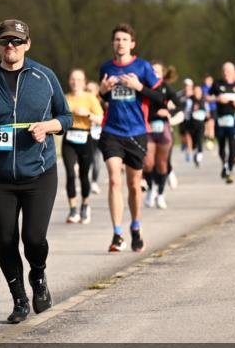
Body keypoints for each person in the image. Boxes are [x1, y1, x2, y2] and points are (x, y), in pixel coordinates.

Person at [0, 20, 73, 323]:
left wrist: (48, 126)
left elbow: (66, 116)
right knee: (6, 240)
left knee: (34, 239)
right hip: (0, 176)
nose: (10, 46)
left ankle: (38, 275)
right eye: (5, 41)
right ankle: (19, 299)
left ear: (27, 44)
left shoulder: (44, 77)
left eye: (16, 41)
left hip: (39, 172)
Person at [97, 24, 165, 253]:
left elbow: (160, 98)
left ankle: (136, 226)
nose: (120, 43)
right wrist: (102, 91)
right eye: (117, 39)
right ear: (113, 43)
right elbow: (102, 100)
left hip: (136, 132)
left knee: (134, 185)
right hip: (112, 132)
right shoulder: (106, 67)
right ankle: (117, 234)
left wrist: (138, 86)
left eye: (124, 39)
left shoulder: (143, 67)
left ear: (132, 44)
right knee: (115, 180)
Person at [63, 69, 103, 223]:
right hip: (69, 138)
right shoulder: (65, 98)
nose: (75, 82)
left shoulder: (90, 98)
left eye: (79, 79)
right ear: (69, 81)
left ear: (84, 82)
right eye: (73, 79)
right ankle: (73, 209)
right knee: (70, 174)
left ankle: (85, 205)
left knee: (83, 175)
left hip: (85, 138)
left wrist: (87, 114)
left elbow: (101, 119)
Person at [206, 61, 235, 184]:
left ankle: (230, 169)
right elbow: (207, 97)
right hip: (221, 119)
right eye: (224, 70)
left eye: (228, 71)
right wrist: (217, 98)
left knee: (233, 146)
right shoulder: (217, 84)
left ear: (233, 72)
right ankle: (224, 164)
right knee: (222, 146)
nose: (226, 73)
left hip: (233, 120)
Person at [143, 62, 178, 208]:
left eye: (158, 71)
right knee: (148, 163)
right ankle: (151, 189)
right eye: (153, 71)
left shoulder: (166, 88)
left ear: (163, 74)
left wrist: (169, 112)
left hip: (163, 128)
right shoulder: (143, 87)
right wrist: (153, 113)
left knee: (162, 164)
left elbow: (181, 105)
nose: (155, 74)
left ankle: (161, 194)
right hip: (148, 128)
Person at [85, 79, 104, 194]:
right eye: (87, 90)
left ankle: (94, 182)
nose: (88, 92)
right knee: (87, 158)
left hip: (99, 134)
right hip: (85, 134)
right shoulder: (83, 101)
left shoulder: (102, 103)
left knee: (97, 159)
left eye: (91, 90)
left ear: (97, 91)